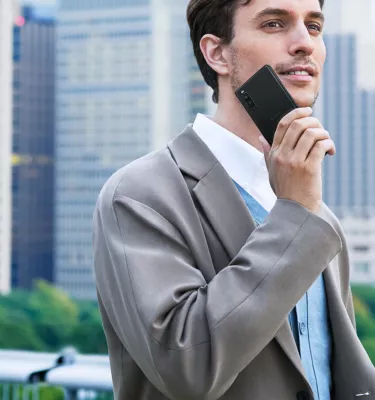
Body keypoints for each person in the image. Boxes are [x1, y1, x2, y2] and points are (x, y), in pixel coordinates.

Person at [93, 0, 375, 399]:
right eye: (275, 23)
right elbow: (186, 368)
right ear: (217, 53)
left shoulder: (318, 212)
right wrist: (293, 217)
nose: (303, 43)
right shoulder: (140, 196)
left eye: (313, 26)